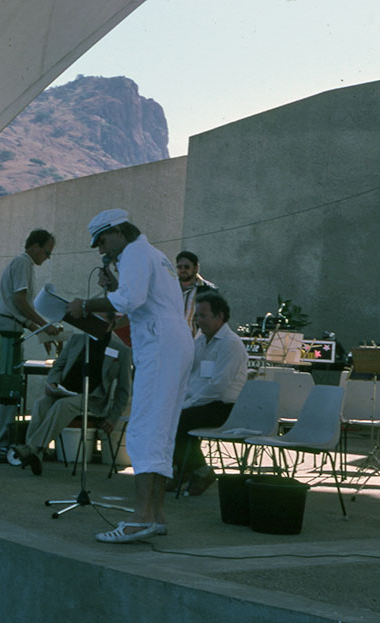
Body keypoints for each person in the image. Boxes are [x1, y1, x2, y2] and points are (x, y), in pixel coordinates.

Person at [68, 209, 192, 543]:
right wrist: (116, 287)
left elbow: (131, 299)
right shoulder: (154, 254)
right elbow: (138, 299)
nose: (101, 250)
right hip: (174, 341)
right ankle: (157, 515)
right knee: (162, 429)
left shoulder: (135, 251)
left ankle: (140, 519)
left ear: (119, 231)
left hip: (160, 344)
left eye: (102, 241)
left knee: (142, 429)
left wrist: (86, 304)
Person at [10, 331, 131, 475]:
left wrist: (113, 417)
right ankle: (37, 453)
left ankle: (31, 448)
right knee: (41, 404)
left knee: (63, 405)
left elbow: (124, 390)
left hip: (93, 398)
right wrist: (53, 383)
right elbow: (58, 365)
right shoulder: (77, 339)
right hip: (65, 390)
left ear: (110, 323)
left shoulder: (121, 350)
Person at [0, 229, 61, 453]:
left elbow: (18, 309)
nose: (46, 258)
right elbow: (20, 301)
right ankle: (1, 441)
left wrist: (39, 330)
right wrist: (44, 324)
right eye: (47, 252)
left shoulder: (23, 264)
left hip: (9, 325)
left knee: (5, 381)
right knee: (8, 384)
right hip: (6, 328)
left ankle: (1, 436)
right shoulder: (23, 263)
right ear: (35, 247)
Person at [171, 291, 249, 496]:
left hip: (224, 407)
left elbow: (218, 386)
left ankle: (201, 471)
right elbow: (188, 375)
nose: (198, 321)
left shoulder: (230, 344)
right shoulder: (199, 341)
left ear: (219, 316)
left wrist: (187, 404)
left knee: (180, 419)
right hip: (200, 402)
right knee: (167, 416)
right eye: (197, 316)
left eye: (203, 316)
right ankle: (183, 470)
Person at [176, 251, 217, 336]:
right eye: (179, 267)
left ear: (196, 268)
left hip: (196, 344)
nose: (182, 270)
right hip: (171, 343)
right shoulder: (169, 288)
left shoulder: (209, 291)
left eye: (186, 267)